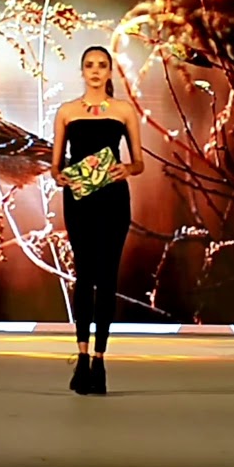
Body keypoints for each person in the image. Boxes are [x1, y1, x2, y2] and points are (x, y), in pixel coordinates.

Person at [51, 45, 144, 395]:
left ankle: (100, 361)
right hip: (80, 200)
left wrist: (127, 169)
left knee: (107, 278)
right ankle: (82, 356)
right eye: (89, 65)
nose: (95, 70)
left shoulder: (123, 110)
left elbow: (139, 162)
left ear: (109, 72)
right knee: (84, 275)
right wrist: (59, 176)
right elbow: (55, 166)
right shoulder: (67, 111)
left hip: (113, 199)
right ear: (82, 71)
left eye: (101, 65)